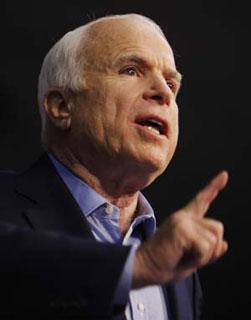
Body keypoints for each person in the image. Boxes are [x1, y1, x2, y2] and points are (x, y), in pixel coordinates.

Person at [0, 14, 228, 319]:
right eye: (131, 70)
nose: (163, 93)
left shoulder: (179, 269)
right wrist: (136, 267)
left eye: (172, 85)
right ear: (62, 107)